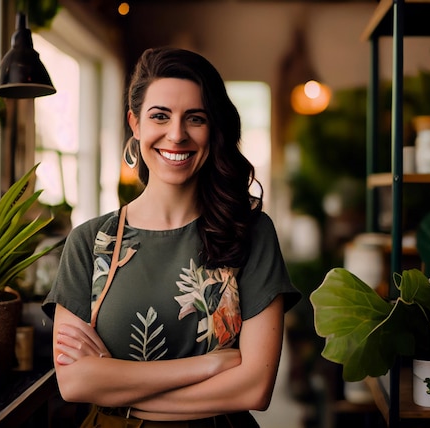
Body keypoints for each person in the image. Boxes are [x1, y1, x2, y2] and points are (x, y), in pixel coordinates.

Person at [42, 46, 300, 428]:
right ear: (136, 123)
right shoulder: (90, 243)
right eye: (160, 116)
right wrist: (210, 364)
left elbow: (254, 388)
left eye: (194, 118)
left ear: (213, 128)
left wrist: (117, 386)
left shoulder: (249, 233)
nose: (176, 135)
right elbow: (75, 382)